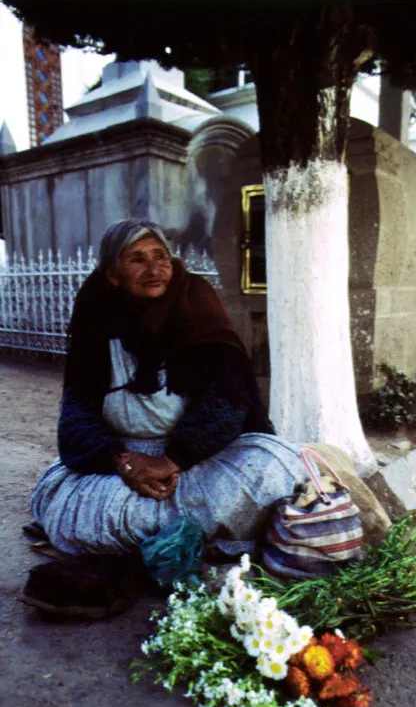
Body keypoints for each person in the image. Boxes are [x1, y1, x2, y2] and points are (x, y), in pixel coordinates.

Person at [29, 218, 308, 564]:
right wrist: (122, 463)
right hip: (125, 462)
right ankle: (199, 536)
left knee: (271, 471)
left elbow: (228, 399)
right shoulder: (96, 322)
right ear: (113, 275)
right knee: (66, 503)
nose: (154, 269)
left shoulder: (198, 308)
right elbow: (76, 413)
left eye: (160, 257)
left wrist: (170, 460)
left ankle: (156, 540)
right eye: (137, 259)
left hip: (199, 459)